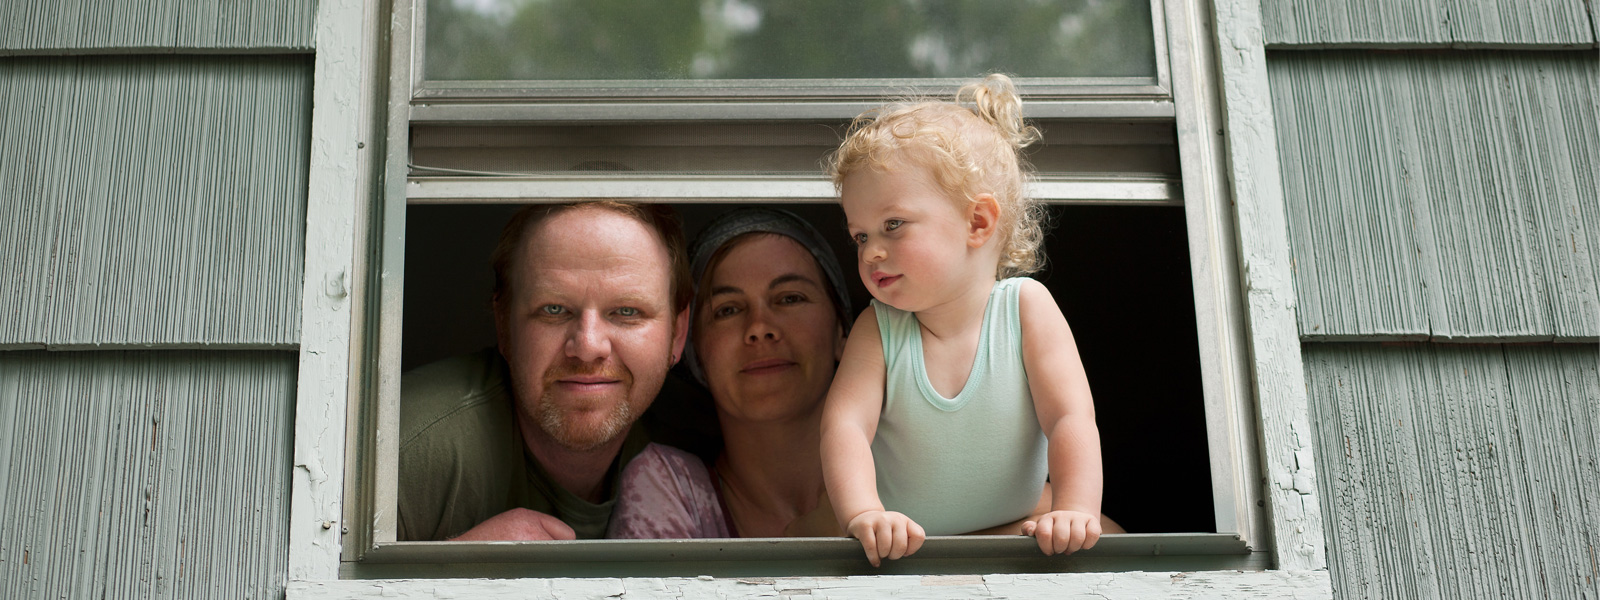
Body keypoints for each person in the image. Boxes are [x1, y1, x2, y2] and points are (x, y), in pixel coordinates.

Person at [820, 74, 1105, 566]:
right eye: (860, 235)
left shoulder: (1025, 309)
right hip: (901, 543)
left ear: (977, 223)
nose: (872, 251)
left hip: (1012, 530)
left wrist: (1074, 509)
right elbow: (844, 426)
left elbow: (1070, 417)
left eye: (893, 225)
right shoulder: (880, 328)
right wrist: (865, 513)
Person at [397, 201, 698, 541]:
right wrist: (444, 580)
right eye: (554, 309)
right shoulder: (403, 454)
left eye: (627, 311)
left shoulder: (703, 442)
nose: (587, 347)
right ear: (503, 325)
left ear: (677, 332)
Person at [607, 208, 851, 538]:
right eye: (728, 310)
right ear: (694, 353)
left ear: (842, 331)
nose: (760, 327)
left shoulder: (909, 468)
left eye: (790, 298)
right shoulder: (669, 487)